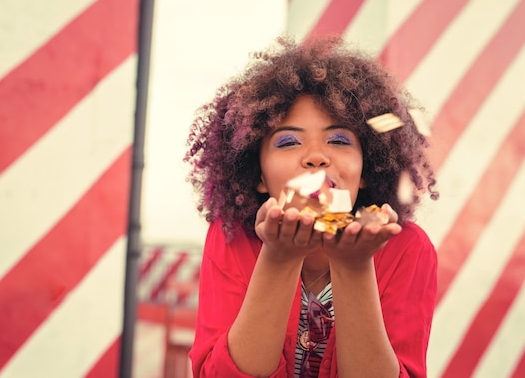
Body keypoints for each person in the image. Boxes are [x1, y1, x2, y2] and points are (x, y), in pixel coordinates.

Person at [184, 35, 439, 378]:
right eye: (289, 141)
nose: (317, 157)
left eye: (338, 140)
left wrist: (354, 266)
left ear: (366, 169)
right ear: (258, 174)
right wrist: (279, 257)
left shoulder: (408, 248)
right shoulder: (231, 237)